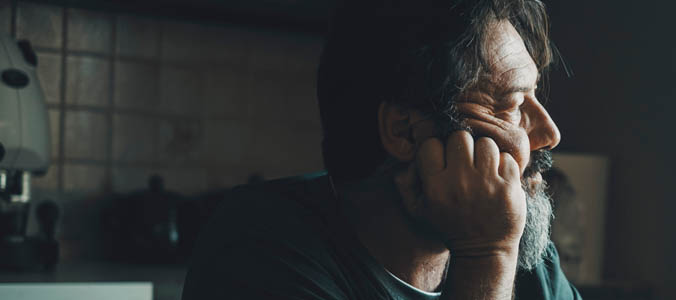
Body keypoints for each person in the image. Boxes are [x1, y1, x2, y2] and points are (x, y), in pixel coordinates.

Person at [181, 0, 581, 299]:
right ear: (405, 132)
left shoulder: (526, 255)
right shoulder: (259, 250)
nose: (549, 133)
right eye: (511, 105)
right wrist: (486, 257)